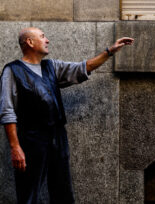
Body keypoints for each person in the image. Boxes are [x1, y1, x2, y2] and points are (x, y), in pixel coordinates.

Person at [0, 27, 134, 204]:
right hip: (31, 138)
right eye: (42, 36)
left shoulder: (51, 66)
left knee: (62, 190)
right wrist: (15, 147)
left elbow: (83, 68)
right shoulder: (12, 70)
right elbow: (7, 111)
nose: (47, 40)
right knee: (29, 192)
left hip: (57, 136)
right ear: (30, 42)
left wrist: (109, 51)